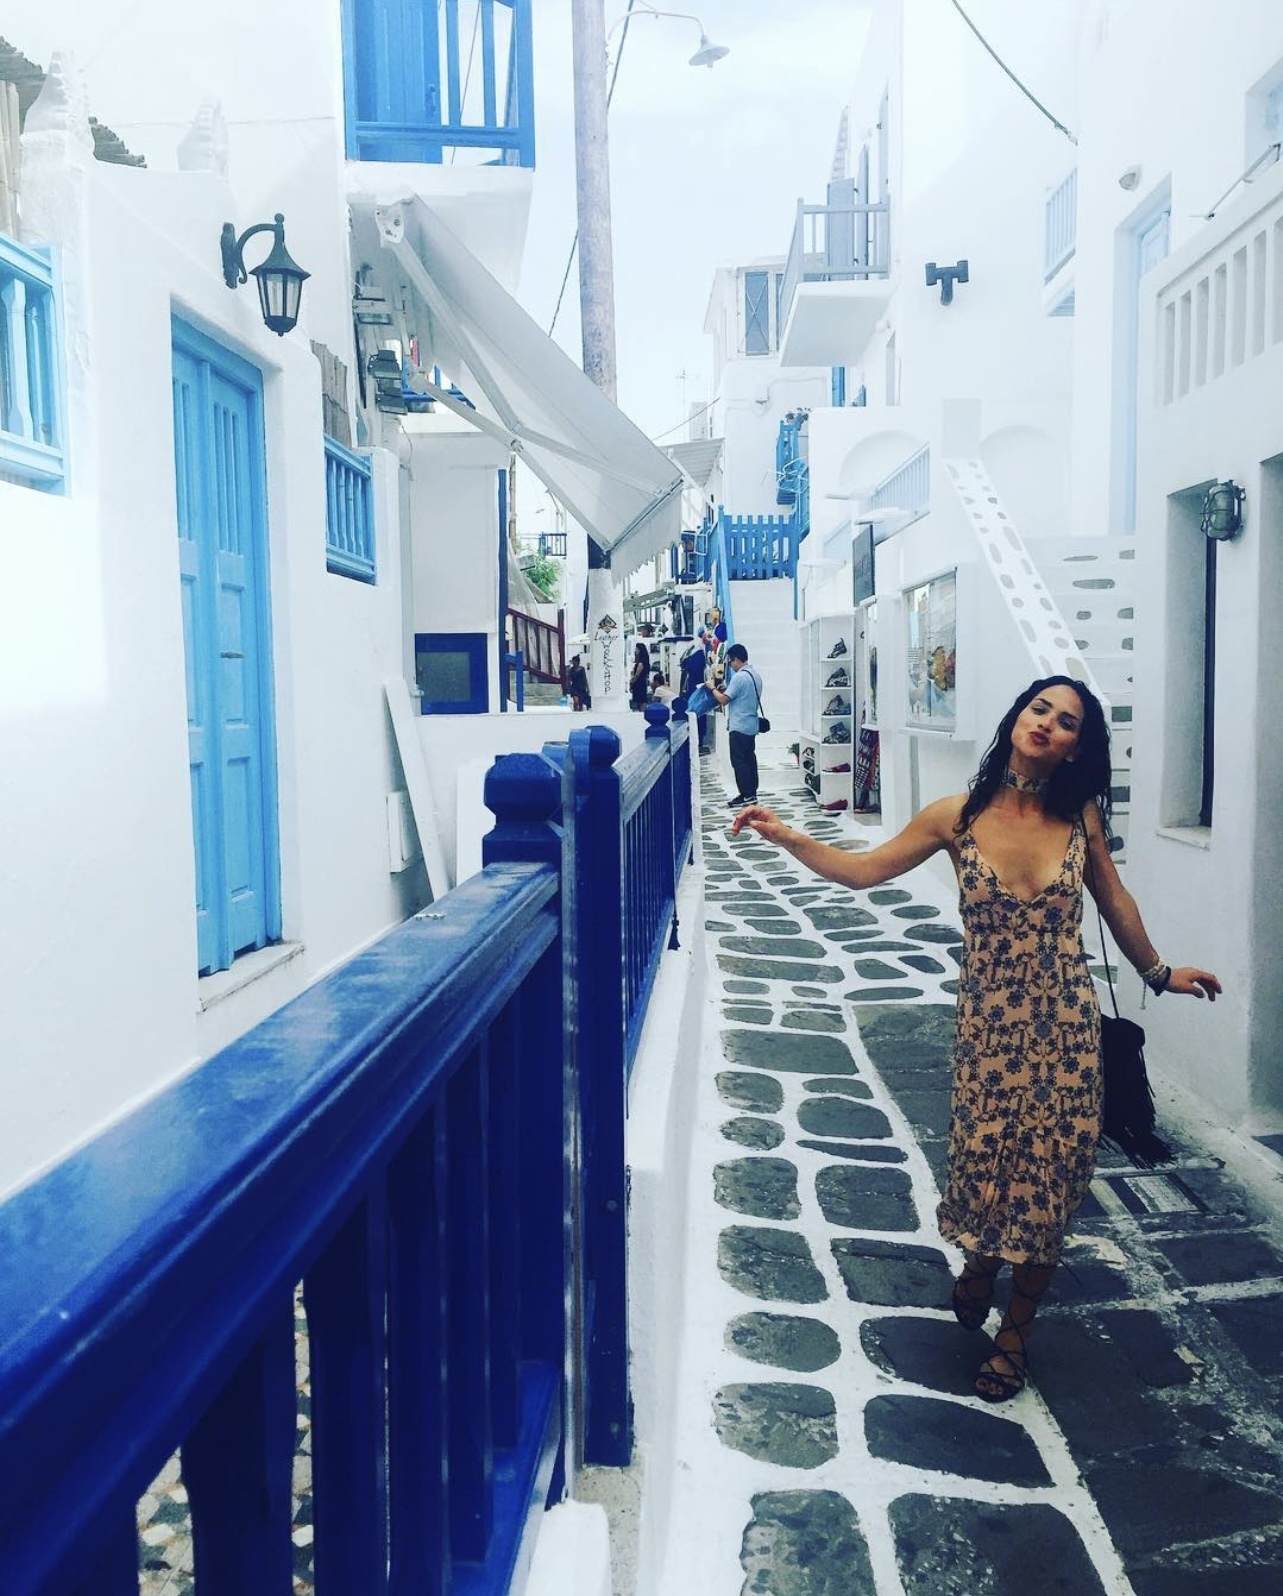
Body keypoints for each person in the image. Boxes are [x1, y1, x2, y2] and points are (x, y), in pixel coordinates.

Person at [730, 676, 1221, 1402]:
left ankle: (1014, 1336)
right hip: (989, 1033)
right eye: (1038, 709)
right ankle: (982, 1265)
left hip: (1065, 1031)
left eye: (1066, 721)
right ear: (1016, 718)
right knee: (986, 1168)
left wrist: (1159, 972)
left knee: (1049, 1182)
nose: (1047, 723)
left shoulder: (1079, 818)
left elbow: (1113, 897)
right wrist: (787, 835)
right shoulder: (954, 817)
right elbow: (862, 872)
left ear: (1076, 747)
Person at [713, 642, 765, 808]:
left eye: (730, 661)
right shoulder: (755, 675)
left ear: (735, 659)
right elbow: (742, 695)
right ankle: (751, 793)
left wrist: (712, 689)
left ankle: (746, 794)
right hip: (751, 725)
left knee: (739, 761)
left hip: (739, 726)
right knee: (750, 760)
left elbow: (723, 700)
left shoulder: (739, 677)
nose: (730, 665)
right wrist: (727, 688)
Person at [629, 642, 651, 711]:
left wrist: (632, 683)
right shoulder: (645, 662)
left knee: (640, 701)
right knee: (642, 699)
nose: (635, 651)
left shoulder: (641, 663)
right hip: (642, 683)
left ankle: (642, 711)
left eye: (636, 649)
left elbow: (637, 674)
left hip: (639, 684)